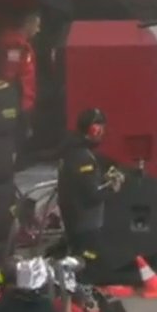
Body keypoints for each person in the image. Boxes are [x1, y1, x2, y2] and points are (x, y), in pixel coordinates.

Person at [57, 108, 123, 260]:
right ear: (93, 130)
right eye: (100, 128)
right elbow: (91, 195)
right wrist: (113, 187)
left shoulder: (73, 150)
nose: (102, 132)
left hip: (75, 223)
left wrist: (102, 179)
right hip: (85, 226)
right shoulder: (83, 157)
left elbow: (81, 183)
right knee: (93, 263)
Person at [0, 10, 43, 127]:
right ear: (28, 24)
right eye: (37, 25)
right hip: (20, 102)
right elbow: (10, 72)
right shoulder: (15, 46)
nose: (38, 30)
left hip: (25, 99)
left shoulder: (22, 46)